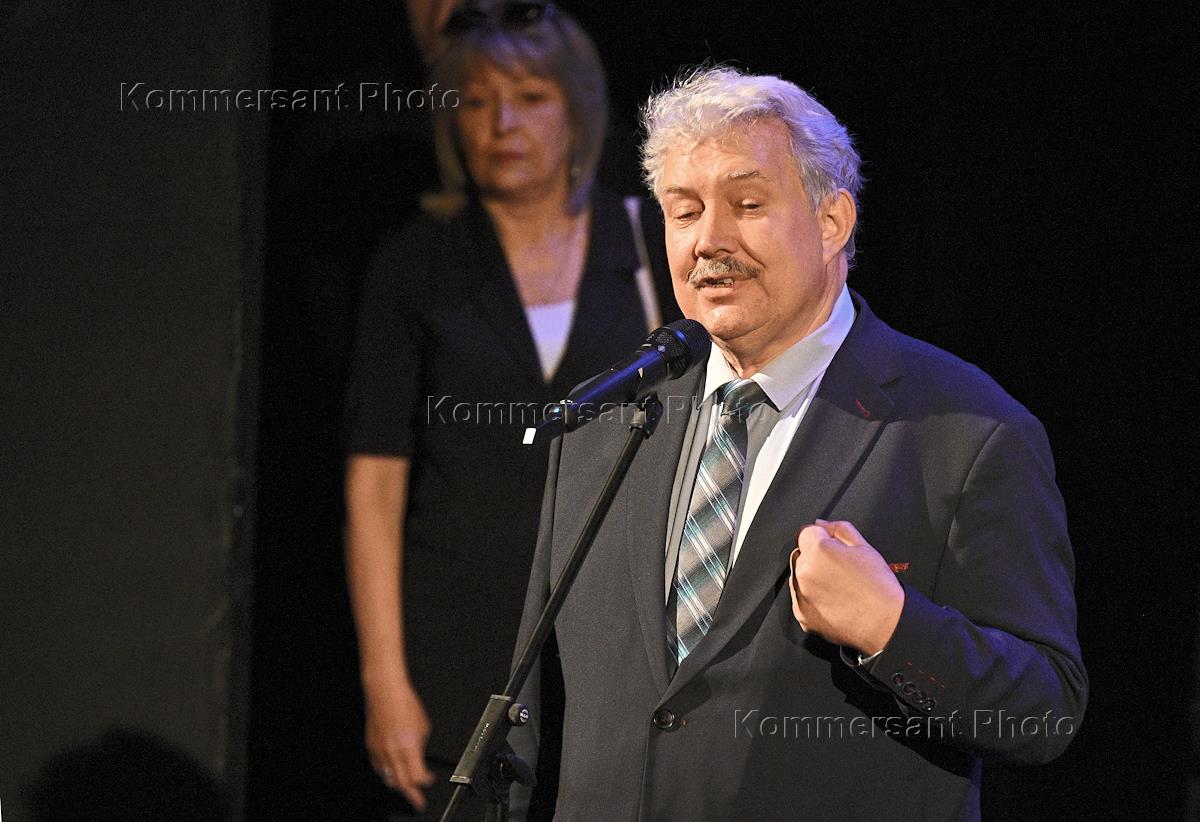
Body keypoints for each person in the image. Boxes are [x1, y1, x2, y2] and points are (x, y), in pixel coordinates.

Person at [509, 66, 1088, 821]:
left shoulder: (966, 429)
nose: (709, 240)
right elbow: (530, 713)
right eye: (684, 212)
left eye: (748, 205)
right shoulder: (603, 422)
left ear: (832, 221)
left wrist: (893, 630)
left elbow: (1043, 712)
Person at [342, 1, 678, 816]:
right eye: (477, 101)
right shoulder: (416, 263)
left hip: (617, 647)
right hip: (457, 650)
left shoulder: (650, 244)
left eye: (531, 97)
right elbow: (375, 482)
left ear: (577, 109)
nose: (504, 124)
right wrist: (384, 678)